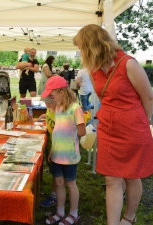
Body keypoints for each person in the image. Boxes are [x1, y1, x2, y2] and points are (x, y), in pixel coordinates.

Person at [73, 24, 153, 225]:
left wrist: (139, 124)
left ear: (92, 45)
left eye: (82, 48)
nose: (81, 53)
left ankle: (129, 217)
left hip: (133, 131)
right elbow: (105, 96)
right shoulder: (94, 69)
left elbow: (149, 98)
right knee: (111, 179)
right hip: (109, 130)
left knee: (131, 176)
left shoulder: (128, 64)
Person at [41, 76, 86, 225]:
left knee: (70, 183)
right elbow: (56, 132)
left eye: (52, 95)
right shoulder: (58, 107)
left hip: (70, 156)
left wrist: (71, 135)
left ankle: (74, 213)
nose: (51, 98)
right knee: (59, 183)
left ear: (62, 92)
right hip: (56, 155)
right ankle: (60, 212)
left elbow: (82, 132)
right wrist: (53, 150)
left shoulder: (75, 108)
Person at [38, 96, 57, 208]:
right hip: (50, 143)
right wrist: (44, 116)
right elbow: (50, 117)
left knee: (56, 174)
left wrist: (53, 149)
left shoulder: (60, 112)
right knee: (53, 170)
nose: (46, 104)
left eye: (49, 102)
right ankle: (55, 193)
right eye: (45, 102)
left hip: (56, 146)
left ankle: (54, 196)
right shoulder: (50, 109)